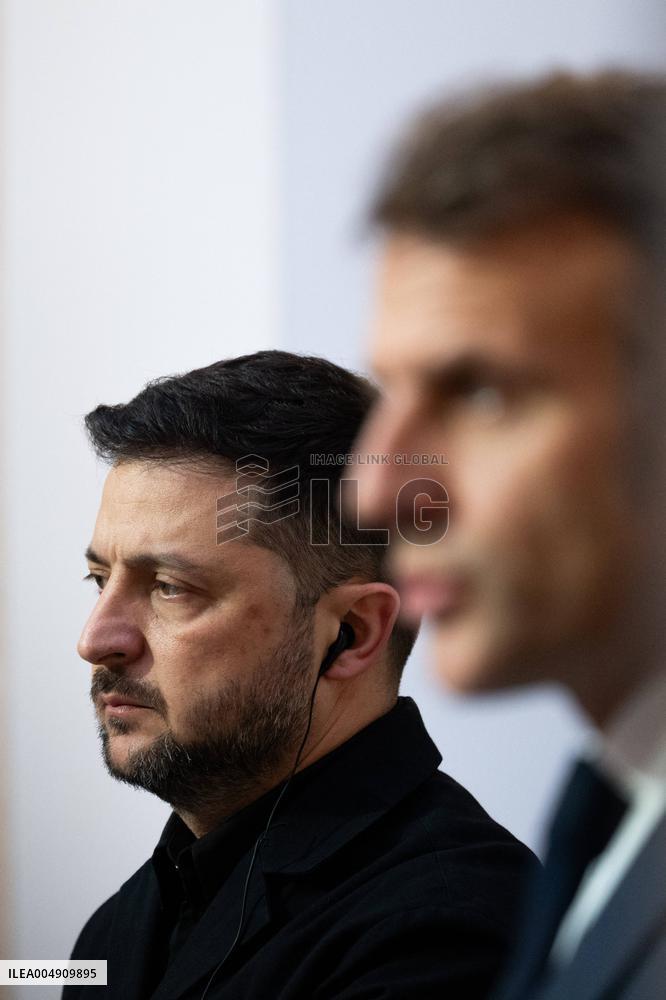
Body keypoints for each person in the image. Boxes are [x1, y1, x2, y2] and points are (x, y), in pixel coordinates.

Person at [64, 350, 533, 999]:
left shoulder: (447, 933)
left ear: (353, 635)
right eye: (98, 580)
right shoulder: (116, 933)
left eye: (170, 588)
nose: (94, 640)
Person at [353, 71, 666, 999]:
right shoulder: (616, 813)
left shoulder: (436, 898)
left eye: (482, 392)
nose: (379, 492)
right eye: (391, 393)